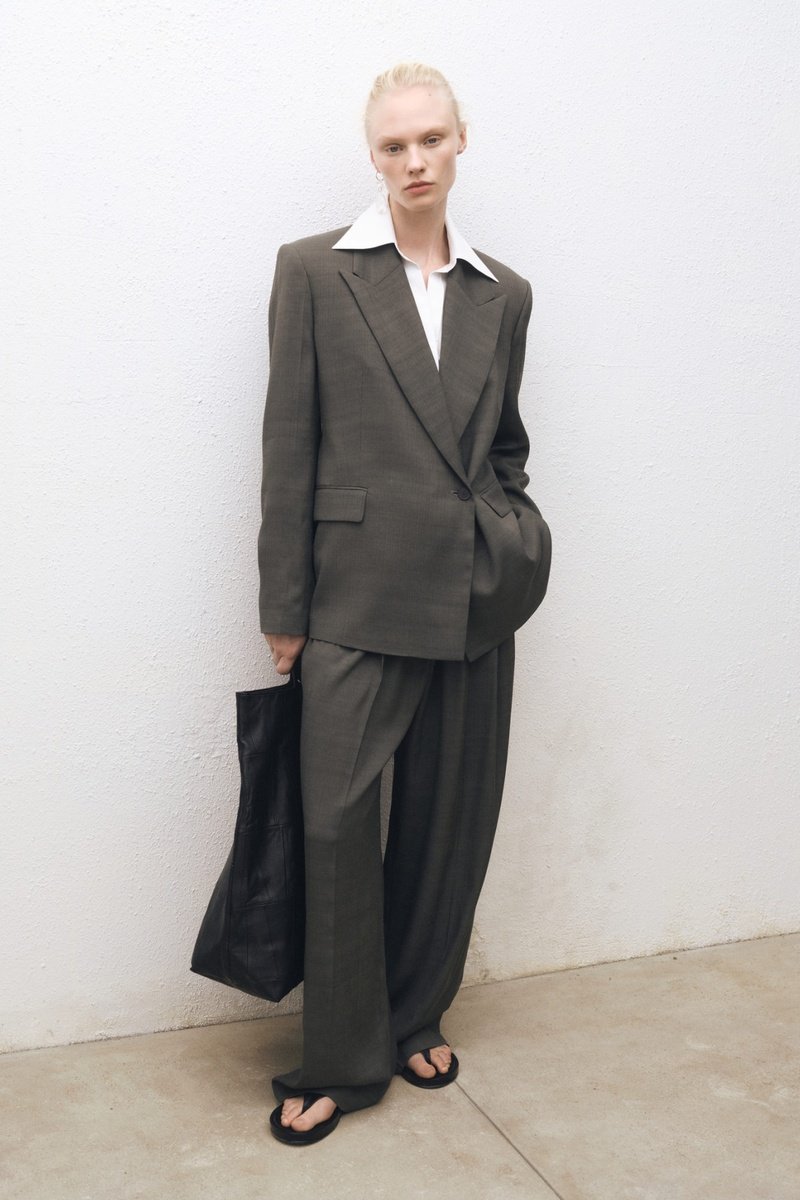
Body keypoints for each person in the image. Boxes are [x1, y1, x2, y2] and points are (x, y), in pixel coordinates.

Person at [258, 61, 552, 1146]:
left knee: (447, 823)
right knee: (335, 825)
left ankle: (415, 1013)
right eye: (394, 146)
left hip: (471, 596)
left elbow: (505, 446)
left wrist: (511, 536)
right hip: (352, 595)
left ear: (461, 140)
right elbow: (287, 445)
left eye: (431, 139)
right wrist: (284, 605)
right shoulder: (314, 271)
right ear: (372, 156)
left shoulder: (502, 292)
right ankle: (342, 1058)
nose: (414, 161)